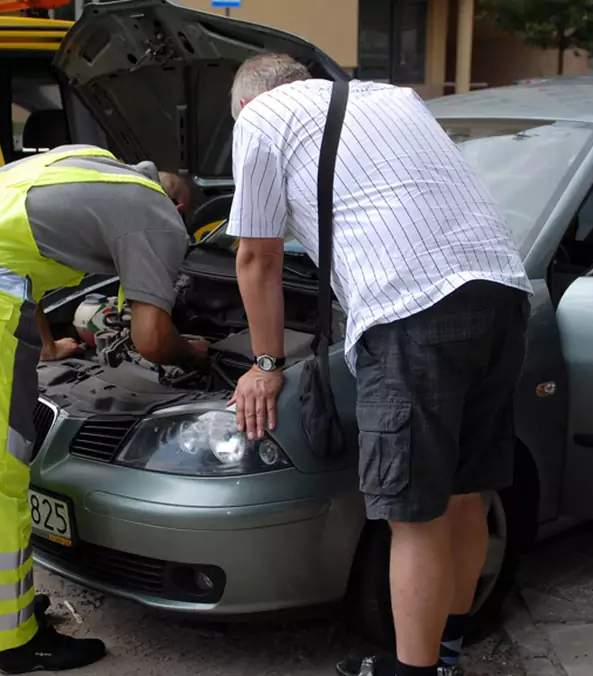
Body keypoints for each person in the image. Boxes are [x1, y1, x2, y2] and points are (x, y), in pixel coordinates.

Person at [224, 54, 532, 676]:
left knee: (411, 514)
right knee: (465, 495)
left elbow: (257, 258)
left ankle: (410, 673)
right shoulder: (394, 98)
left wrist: (264, 362)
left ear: (246, 103)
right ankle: (445, 657)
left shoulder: (261, 118)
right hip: (502, 292)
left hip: (411, 311)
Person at [0, 144, 209, 675]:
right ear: (179, 211)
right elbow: (152, 339)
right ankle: (17, 643)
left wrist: (50, 346)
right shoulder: (156, 215)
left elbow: (18, 256)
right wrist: (194, 355)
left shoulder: (85, 162)